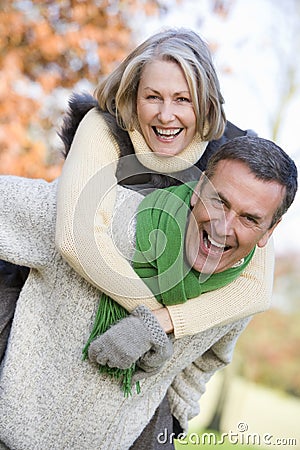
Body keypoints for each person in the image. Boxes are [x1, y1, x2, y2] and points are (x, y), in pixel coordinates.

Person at [0, 136, 297, 450]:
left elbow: (203, 363)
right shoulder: (103, 217)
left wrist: (173, 423)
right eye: (219, 201)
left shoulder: (234, 299)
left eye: (249, 218)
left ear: (270, 231)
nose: (224, 227)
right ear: (197, 190)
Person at [55, 28, 274, 341]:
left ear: (206, 104)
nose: (166, 115)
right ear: (133, 96)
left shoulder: (233, 155)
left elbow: (256, 287)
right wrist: (148, 319)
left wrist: (169, 321)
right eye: (153, 97)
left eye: (182, 99)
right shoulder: (101, 127)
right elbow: (76, 237)